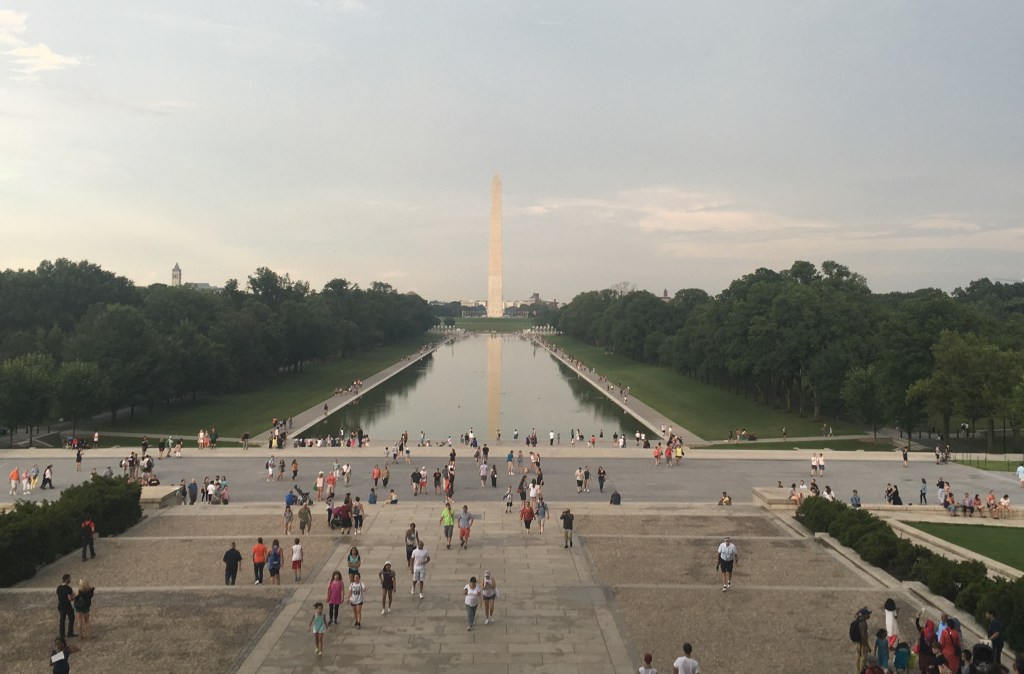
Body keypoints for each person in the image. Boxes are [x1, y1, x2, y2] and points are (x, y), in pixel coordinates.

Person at [56, 574, 77, 638]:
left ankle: (62, 634)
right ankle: (70, 633)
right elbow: (70, 599)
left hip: (60, 606)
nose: (70, 580)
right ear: (66, 579)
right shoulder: (68, 588)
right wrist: (75, 597)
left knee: (62, 620)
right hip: (67, 606)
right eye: (69, 579)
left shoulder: (59, 588)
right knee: (71, 618)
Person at [854, 607, 871, 674]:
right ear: (864, 615)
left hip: (857, 643)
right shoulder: (863, 624)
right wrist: (868, 647)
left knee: (857, 657)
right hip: (863, 644)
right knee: (863, 660)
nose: (869, 615)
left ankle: (857, 672)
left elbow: (855, 615)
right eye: (867, 614)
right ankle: (861, 672)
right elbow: (864, 637)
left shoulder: (858, 619)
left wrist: (860, 610)